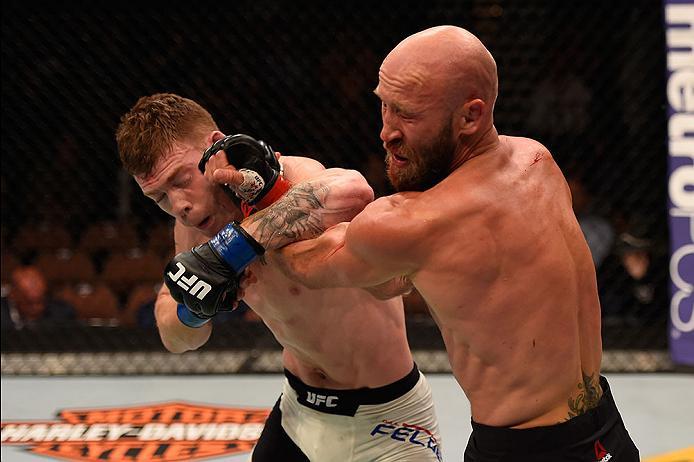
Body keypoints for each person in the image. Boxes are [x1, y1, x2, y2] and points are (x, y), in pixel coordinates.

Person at [179, 26, 639, 460]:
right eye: (385, 106)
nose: (387, 131)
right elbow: (388, 283)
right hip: (607, 433)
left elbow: (304, 265)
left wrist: (244, 227)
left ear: (471, 116)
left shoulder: (416, 222)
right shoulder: (537, 159)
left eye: (409, 114)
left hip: (526, 450)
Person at [115, 93, 442, 462]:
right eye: (159, 197)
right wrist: (195, 310)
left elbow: (353, 192)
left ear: (214, 148)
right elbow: (176, 337)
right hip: (298, 414)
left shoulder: (289, 178)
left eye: (180, 180)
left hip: (386, 420)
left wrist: (232, 248)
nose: (179, 206)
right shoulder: (193, 230)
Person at [1, 265, 76, 330]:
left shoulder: (62, 313)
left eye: (40, 302)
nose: (36, 307)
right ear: (12, 296)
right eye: (29, 303)